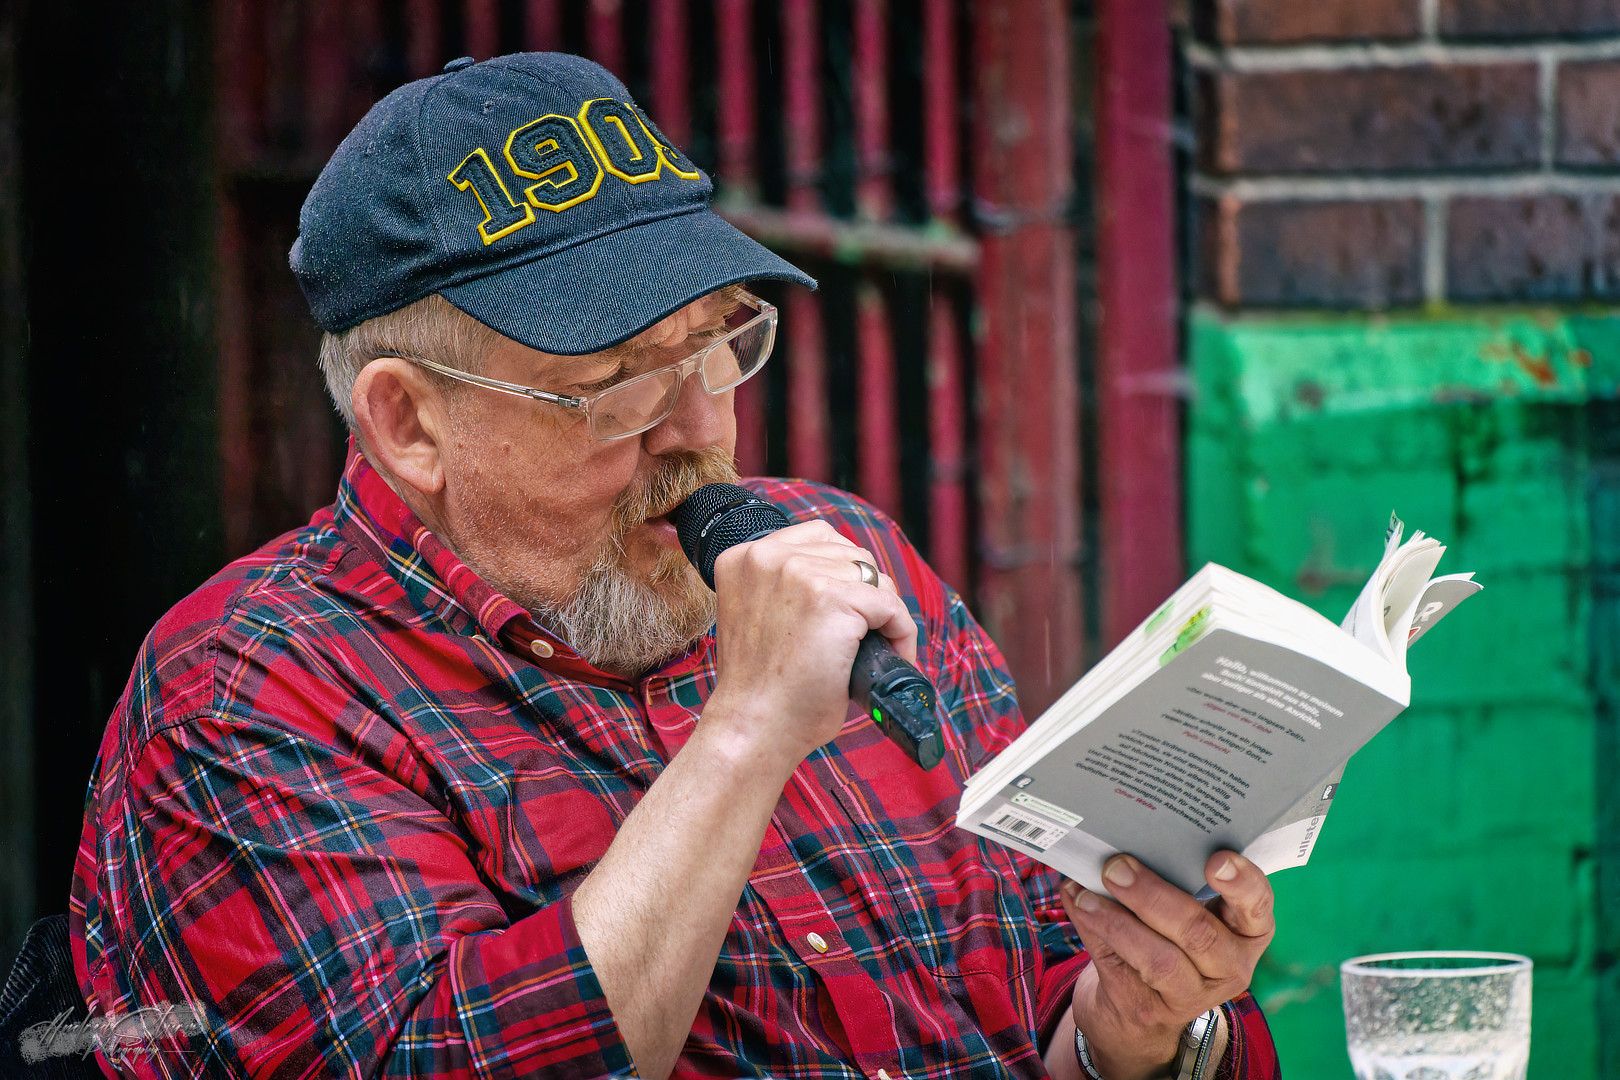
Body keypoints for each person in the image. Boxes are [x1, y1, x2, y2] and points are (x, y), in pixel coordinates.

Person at [70, 52, 1281, 1080]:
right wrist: (745, 734)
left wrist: (1130, 1032)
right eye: (619, 384)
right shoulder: (245, 693)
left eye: (716, 347)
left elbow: (1027, 993)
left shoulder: (848, 562)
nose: (700, 428)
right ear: (409, 424)